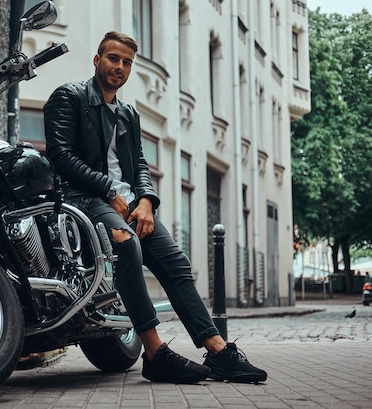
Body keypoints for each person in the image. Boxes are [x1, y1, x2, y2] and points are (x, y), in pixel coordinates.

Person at [43, 31, 267, 384]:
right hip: (83, 199)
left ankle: (218, 350)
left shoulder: (129, 114)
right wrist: (106, 189)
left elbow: (140, 165)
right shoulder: (69, 97)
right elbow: (60, 155)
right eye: (113, 58)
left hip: (130, 203)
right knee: (126, 244)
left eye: (127, 62)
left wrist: (147, 199)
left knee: (176, 262)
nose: (120, 67)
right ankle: (155, 353)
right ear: (97, 60)